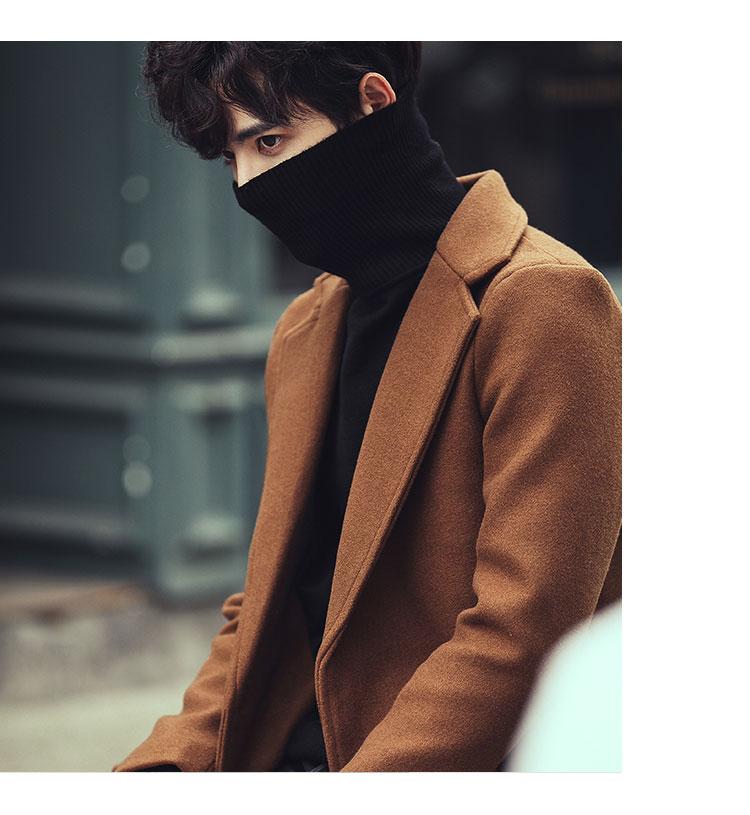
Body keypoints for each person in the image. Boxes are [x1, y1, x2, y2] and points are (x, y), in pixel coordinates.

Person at [113, 41, 622, 773]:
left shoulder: (542, 302)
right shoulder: (307, 328)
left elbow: (524, 631)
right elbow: (270, 605)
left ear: (373, 102)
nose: (250, 182)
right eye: (230, 158)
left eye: (268, 141)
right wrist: (165, 766)